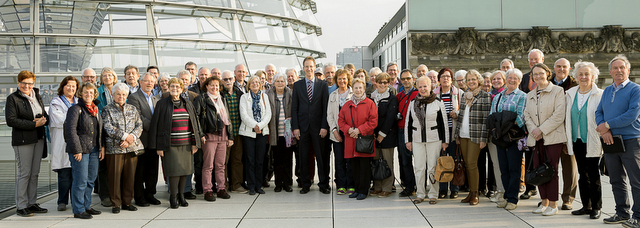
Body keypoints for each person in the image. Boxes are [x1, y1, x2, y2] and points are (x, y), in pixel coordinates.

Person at [596, 55, 640, 227]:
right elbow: (598, 111)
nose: (619, 70)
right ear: (610, 72)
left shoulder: (635, 90)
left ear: (628, 70)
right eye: (615, 68)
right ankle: (622, 212)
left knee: (636, 181)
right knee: (615, 179)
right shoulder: (607, 90)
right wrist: (604, 129)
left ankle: (638, 216)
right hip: (610, 141)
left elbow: (632, 115)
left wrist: (607, 125)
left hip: (631, 140)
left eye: (622, 67)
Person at [149, 78, 204, 209]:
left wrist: (195, 142)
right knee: (173, 172)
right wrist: (158, 146)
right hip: (170, 145)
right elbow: (155, 125)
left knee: (184, 170)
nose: (175, 89)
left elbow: (195, 123)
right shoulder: (162, 104)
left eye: (177, 87)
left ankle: (181, 195)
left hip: (186, 144)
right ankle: (173, 197)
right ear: (168, 87)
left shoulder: (187, 103)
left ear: (181, 89)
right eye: (172, 86)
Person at [523, 63, 566, 216]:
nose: (538, 76)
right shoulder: (530, 94)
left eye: (541, 73)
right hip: (536, 138)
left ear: (547, 74)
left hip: (552, 137)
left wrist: (541, 129)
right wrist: (534, 130)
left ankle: (553, 204)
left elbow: (559, 115)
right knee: (538, 170)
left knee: (551, 170)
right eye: (535, 74)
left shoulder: (558, 91)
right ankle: (544, 201)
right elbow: (526, 115)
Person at [6, 70, 49, 217]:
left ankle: (32, 203)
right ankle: (21, 206)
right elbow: (11, 120)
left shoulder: (36, 95)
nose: (27, 86)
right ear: (18, 83)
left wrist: (45, 120)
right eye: (24, 83)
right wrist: (33, 124)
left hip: (39, 138)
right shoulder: (12, 98)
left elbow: (43, 114)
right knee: (25, 173)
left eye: (30, 83)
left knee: (35, 173)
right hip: (23, 140)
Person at [565, 61, 603, 219]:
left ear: (593, 76)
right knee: (582, 173)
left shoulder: (600, 94)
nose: (583, 77)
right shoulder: (570, 93)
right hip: (576, 139)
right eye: (580, 74)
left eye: (587, 74)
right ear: (576, 76)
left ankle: (596, 207)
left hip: (592, 140)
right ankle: (586, 205)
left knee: (593, 174)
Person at [405, 75, 449, 204]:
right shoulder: (413, 103)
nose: (423, 89)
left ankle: (433, 194)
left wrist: (445, 141)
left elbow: (444, 123)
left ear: (430, 87)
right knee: (419, 168)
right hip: (417, 139)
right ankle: (420, 194)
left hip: (434, 139)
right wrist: (408, 141)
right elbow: (408, 122)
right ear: (417, 87)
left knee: (432, 167)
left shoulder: (437, 102)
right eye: (420, 86)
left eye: (425, 86)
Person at [102, 83, 144, 214]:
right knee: (114, 177)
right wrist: (124, 136)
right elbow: (107, 127)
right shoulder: (106, 109)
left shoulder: (132, 108)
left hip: (131, 148)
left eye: (124, 94)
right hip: (115, 149)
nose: (121, 96)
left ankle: (127, 202)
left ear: (127, 95)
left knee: (130, 177)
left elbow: (139, 125)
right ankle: (116, 204)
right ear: (113, 95)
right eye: (118, 94)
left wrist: (131, 137)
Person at [292, 56, 330, 194]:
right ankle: (306, 184)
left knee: (321, 157)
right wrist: (295, 127)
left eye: (311, 66)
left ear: (315, 68)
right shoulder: (297, 85)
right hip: (302, 128)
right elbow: (294, 108)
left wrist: (324, 126)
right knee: (304, 157)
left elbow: (326, 107)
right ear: (303, 69)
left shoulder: (322, 85)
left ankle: (324, 184)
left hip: (319, 127)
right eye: (306, 66)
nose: (309, 69)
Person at [64, 82, 103, 219]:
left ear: (94, 94)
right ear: (81, 93)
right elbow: (70, 130)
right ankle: (78, 209)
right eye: (86, 92)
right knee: (80, 180)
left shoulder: (95, 109)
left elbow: (99, 131)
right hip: (80, 150)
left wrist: (101, 147)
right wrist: (77, 150)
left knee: (90, 180)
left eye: (91, 93)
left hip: (93, 149)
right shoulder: (75, 109)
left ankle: (87, 206)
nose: (88, 95)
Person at [491, 69, 527, 211]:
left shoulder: (522, 96)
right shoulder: (498, 96)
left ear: (519, 81)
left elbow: (520, 117)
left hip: (514, 137)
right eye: (510, 77)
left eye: (515, 78)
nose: (512, 80)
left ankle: (513, 198)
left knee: (514, 168)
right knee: (503, 168)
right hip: (500, 137)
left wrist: (504, 124)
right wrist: (499, 127)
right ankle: (507, 196)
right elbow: (493, 115)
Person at [454, 70, 491, 206]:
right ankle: (470, 193)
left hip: (476, 135)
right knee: (467, 164)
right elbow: (461, 115)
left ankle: (475, 193)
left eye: (473, 79)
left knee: (472, 163)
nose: (470, 82)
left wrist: (484, 138)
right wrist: (457, 134)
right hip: (463, 134)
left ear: (478, 80)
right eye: (468, 80)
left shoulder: (485, 96)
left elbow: (486, 119)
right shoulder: (464, 95)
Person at [337, 78, 378, 200]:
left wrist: (359, 130)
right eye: (356, 88)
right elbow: (341, 120)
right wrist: (349, 130)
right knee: (353, 166)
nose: (358, 90)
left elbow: (373, 121)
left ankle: (363, 191)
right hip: (351, 139)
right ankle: (356, 188)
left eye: (360, 87)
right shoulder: (347, 104)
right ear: (352, 89)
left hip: (364, 139)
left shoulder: (370, 103)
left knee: (364, 167)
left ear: (364, 88)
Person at [194, 76, 234, 201]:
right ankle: (208, 190)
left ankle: (221, 188)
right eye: (212, 85)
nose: (214, 87)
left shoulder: (222, 99)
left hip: (223, 136)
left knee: (221, 165)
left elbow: (228, 118)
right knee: (208, 165)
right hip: (209, 136)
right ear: (206, 86)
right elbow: (196, 119)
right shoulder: (201, 99)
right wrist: (200, 134)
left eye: (217, 85)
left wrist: (230, 136)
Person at [127, 73, 161, 207]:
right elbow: (138, 117)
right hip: (141, 140)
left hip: (154, 141)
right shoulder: (134, 97)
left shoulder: (156, 98)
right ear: (140, 82)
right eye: (146, 81)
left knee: (152, 169)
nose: (149, 83)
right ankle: (139, 196)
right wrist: (155, 126)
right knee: (140, 170)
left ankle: (150, 194)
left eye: (152, 81)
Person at [49, 76, 79, 212]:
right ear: (63, 87)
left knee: (76, 173)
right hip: (61, 142)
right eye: (68, 85)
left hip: (76, 141)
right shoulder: (56, 102)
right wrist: (76, 122)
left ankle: (75, 200)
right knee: (64, 174)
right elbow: (58, 120)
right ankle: (62, 201)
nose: (71, 88)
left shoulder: (79, 101)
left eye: (73, 86)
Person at [553, 58, 579, 210]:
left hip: (569, 131)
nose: (561, 69)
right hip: (552, 132)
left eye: (564, 67)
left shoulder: (575, 85)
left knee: (569, 168)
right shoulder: (547, 83)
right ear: (554, 68)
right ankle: (550, 198)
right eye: (558, 66)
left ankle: (568, 198)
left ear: (569, 69)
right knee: (551, 168)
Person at [239, 76, 272, 195]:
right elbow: (243, 114)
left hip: (262, 132)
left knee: (260, 160)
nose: (255, 84)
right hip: (248, 132)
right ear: (249, 85)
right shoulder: (244, 97)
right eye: (252, 82)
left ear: (260, 84)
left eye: (257, 82)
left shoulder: (265, 96)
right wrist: (254, 125)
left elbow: (268, 114)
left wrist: (260, 126)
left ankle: (259, 185)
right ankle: (251, 185)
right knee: (250, 160)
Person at [434, 68, 462, 199]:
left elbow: (464, 111)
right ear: (439, 79)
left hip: (454, 131)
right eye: (443, 76)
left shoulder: (459, 93)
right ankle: (443, 188)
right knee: (441, 160)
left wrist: (457, 114)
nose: (445, 79)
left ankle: (454, 188)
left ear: (452, 79)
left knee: (454, 159)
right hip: (439, 133)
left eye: (448, 76)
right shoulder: (433, 94)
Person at [370, 72, 398, 198]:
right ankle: (377, 186)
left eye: (385, 82)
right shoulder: (371, 97)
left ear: (388, 84)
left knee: (387, 162)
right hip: (374, 135)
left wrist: (382, 134)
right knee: (376, 161)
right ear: (376, 82)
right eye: (380, 82)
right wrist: (373, 134)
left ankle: (387, 187)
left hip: (387, 135)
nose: (382, 84)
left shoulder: (391, 98)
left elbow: (390, 118)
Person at [327, 69, 355, 195]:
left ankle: (351, 185)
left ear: (348, 79)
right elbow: (330, 115)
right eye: (339, 78)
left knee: (350, 160)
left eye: (344, 78)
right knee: (339, 160)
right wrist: (334, 131)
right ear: (336, 80)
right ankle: (341, 185)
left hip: (350, 133)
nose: (342, 81)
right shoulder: (332, 95)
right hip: (337, 134)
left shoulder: (354, 94)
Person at [267, 74, 294, 193]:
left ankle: (287, 183)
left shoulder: (290, 94)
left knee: (288, 159)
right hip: (275, 132)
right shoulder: (269, 95)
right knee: (277, 159)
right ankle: (278, 183)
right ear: (273, 83)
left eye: (282, 81)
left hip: (288, 133)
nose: (280, 83)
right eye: (277, 81)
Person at [95, 67, 117, 207]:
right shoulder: (97, 92)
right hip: (102, 130)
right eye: (104, 75)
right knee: (103, 165)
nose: (107, 77)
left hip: (118, 132)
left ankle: (116, 193)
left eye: (110, 75)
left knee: (115, 165)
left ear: (114, 77)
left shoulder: (120, 89)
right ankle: (104, 195)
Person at [222, 70, 246, 193]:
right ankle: (223, 186)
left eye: (230, 78)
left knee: (237, 160)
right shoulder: (220, 95)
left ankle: (236, 185)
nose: (228, 81)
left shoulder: (239, 93)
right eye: (225, 79)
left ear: (234, 79)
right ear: (222, 81)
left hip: (238, 132)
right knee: (223, 162)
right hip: (224, 134)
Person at [397, 69, 419, 197]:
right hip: (401, 131)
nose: (406, 81)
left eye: (408, 78)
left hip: (415, 131)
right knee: (405, 160)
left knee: (420, 161)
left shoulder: (417, 94)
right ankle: (409, 186)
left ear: (413, 79)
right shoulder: (399, 96)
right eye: (403, 79)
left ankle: (421, 185)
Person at [486, 70, 507, 202]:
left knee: (505, 164)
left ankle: (506, 191)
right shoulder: (488, 95)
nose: (496, 81)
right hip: (492, 134)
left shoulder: (507, 95)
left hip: (505, 134)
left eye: (499, 79)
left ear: (504, 80)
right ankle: (500, 190)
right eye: (493, 79)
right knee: (496, 164)